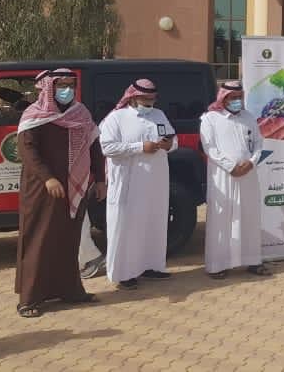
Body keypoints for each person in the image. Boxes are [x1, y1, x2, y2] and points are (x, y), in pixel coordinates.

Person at [15, 69, 106, 318]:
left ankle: (70, 291)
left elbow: (94, 146)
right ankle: (29, 299)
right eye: (61, 85)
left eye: (71, 85)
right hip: (42, 189)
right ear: (49, 87)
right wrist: (48, 178)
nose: (67, 90)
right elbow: (28, 152)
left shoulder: (80, 113)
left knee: (68, 239)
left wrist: (100, 179)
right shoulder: (35, 115)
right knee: (40, 239)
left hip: (74, 187)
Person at [99, 79, 176, 290]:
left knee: (153, 224)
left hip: (155, 184)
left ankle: (151, 266)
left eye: (152, 99)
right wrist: (140, 147)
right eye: (145, 99)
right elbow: (107, 147)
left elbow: (173, 140)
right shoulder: (116, 118)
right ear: (133, 97)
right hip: (129, 184)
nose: (149, 103)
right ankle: (124, 273)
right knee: (127, 227)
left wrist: (169, 145)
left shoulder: (159, 115)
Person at [201, 81, 271, 279]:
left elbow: (258, 143)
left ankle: (253, 261)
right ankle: (218, 265)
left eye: (240, 97)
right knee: (222, 219)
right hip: (223, 176)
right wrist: (231, 167)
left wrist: (251, 162)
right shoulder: (210, 118)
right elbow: (210, 148)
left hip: (248, 175)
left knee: (249, 217)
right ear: (223, 98)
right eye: (233, 98)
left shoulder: (249, 117)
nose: (237, 101)